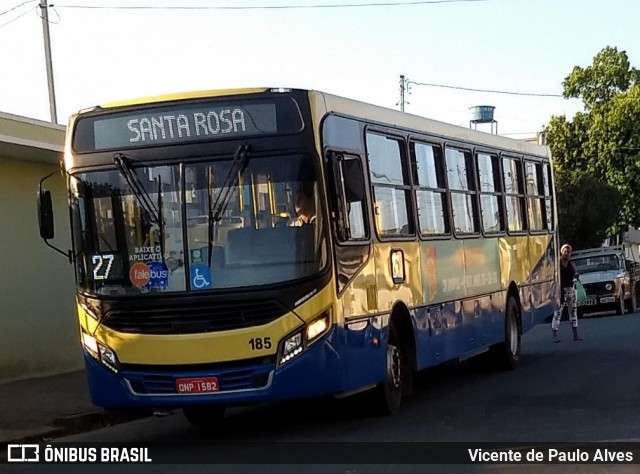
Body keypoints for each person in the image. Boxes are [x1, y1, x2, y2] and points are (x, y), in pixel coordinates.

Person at [552, 243, 583, 342]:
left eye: (569, 252)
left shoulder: (572, 264)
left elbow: (576, 273)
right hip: (560, 291)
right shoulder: (557, 264)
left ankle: (575, 334)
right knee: (557, 313)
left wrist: (575, 277)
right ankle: (555, 335)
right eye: (565, 251)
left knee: (573, 312)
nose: (567, 253)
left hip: (571, 290)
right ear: (561, 252)